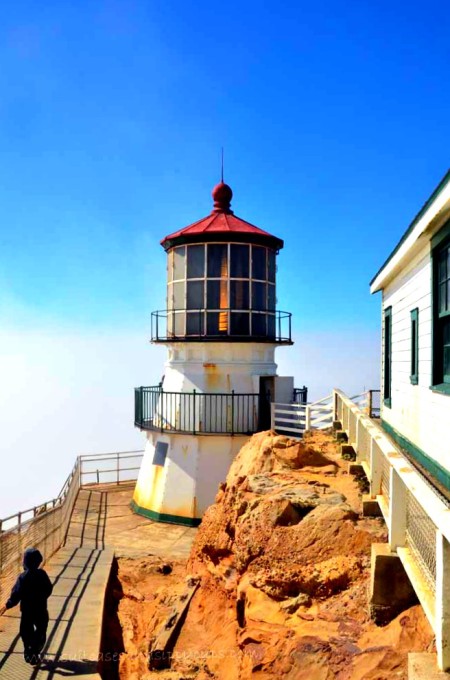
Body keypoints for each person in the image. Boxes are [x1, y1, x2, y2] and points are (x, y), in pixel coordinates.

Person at [5, 547, 53, 664]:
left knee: (26, 631)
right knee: (41, 629)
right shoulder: (42, 574)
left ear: (25, 562)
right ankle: (35, 649)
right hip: (41, 608)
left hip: (27, 610)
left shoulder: (23, 577)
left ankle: (28, 650)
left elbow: (17, 593)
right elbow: (49, 588)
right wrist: (42, 597)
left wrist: (10, 604)